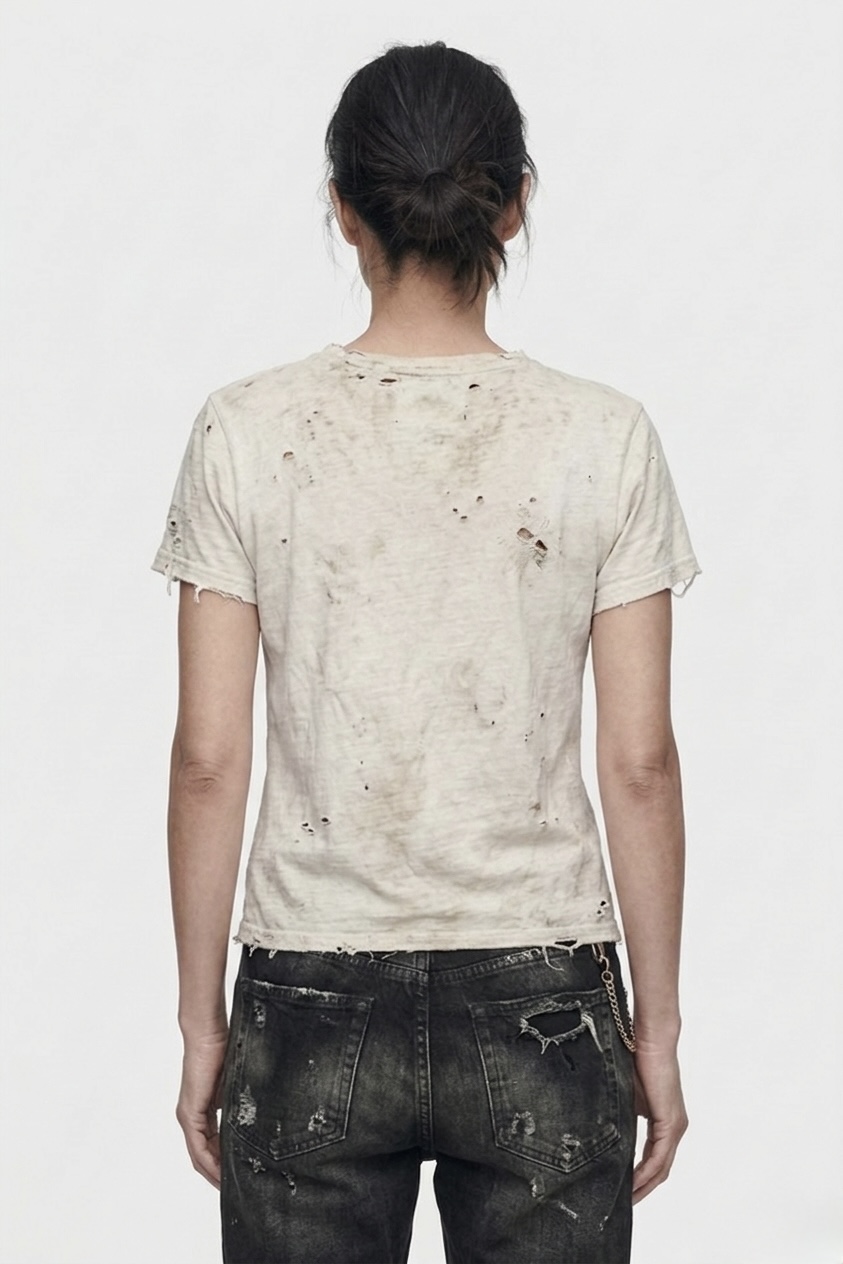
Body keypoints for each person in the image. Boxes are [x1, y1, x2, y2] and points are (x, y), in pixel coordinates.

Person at [151, 40, 699, 1264]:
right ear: (514, 203)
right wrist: (656, 1030)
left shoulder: (246, 431)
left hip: (309, 977)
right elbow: (641, 762)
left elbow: (206, 758)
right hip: (545, 985)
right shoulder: (603, 436)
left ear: (344, 208)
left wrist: (201, 1023)